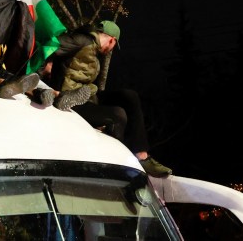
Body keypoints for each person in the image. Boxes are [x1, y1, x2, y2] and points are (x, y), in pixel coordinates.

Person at [40, 20, 172, 177]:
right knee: (117, 115)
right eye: (113, 46)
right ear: (111, 40)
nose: (111, 50)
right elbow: (49, 46)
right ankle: (118, 167)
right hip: (69, 99)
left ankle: (142, 156)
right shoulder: (82, 40)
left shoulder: (94, 50)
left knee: (129, 96)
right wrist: (43, 72)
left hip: (87, 97)